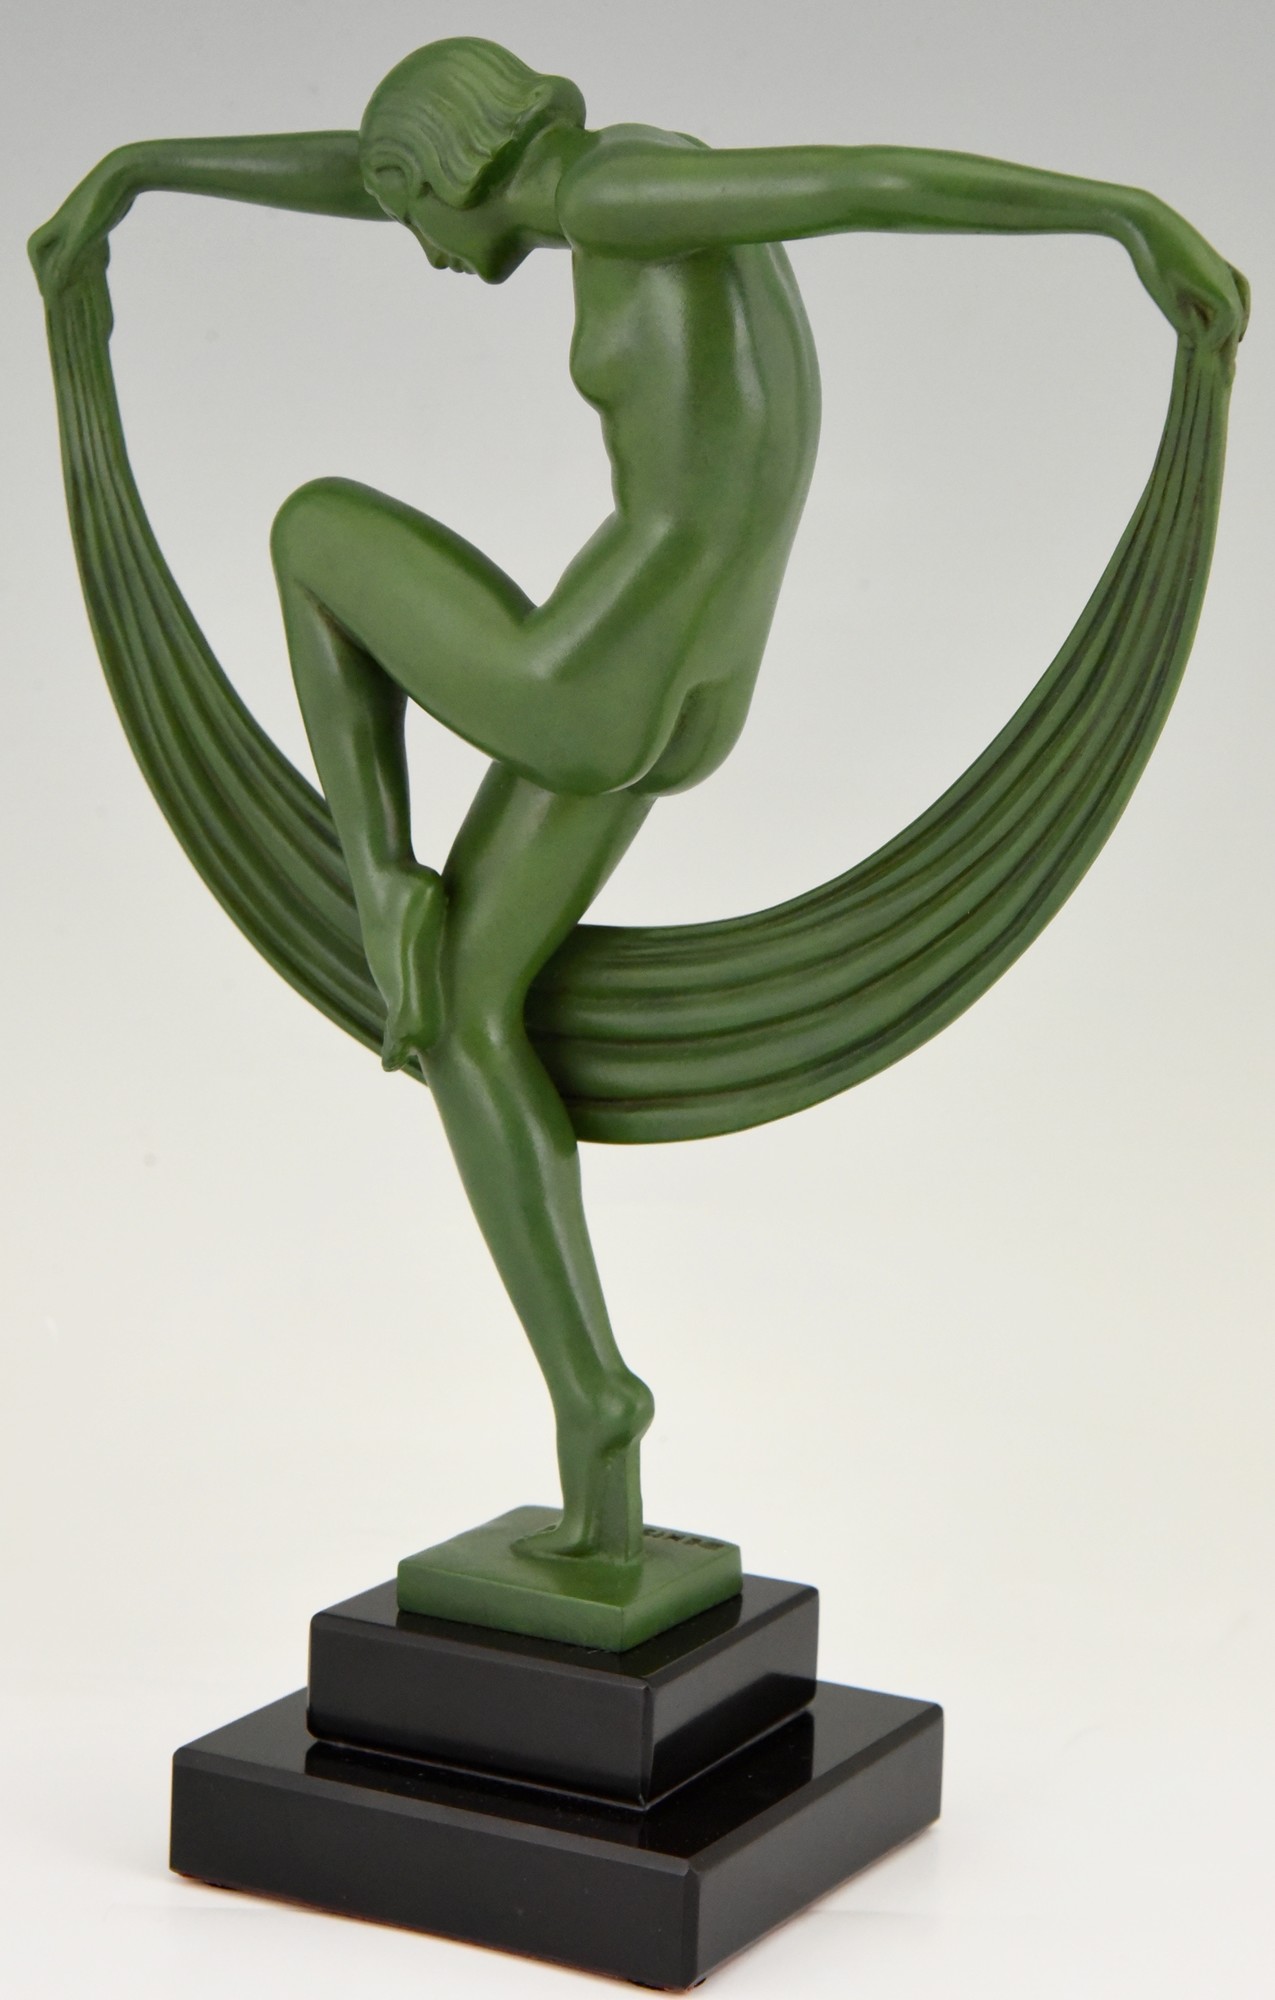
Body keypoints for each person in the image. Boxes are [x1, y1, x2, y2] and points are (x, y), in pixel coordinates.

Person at [30, 37, 1247, 1566]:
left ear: (447, 175)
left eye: (412, 215)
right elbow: (357, 174)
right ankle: (593, 1411)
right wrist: (138, 175)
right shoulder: (606, 187)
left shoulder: (623, 196)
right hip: (690, 681)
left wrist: (1128, 216)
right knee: (469, 1017)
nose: (417, 252)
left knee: (312, 531)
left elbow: (869, 183)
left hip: (596, 678)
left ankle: (378, 873)